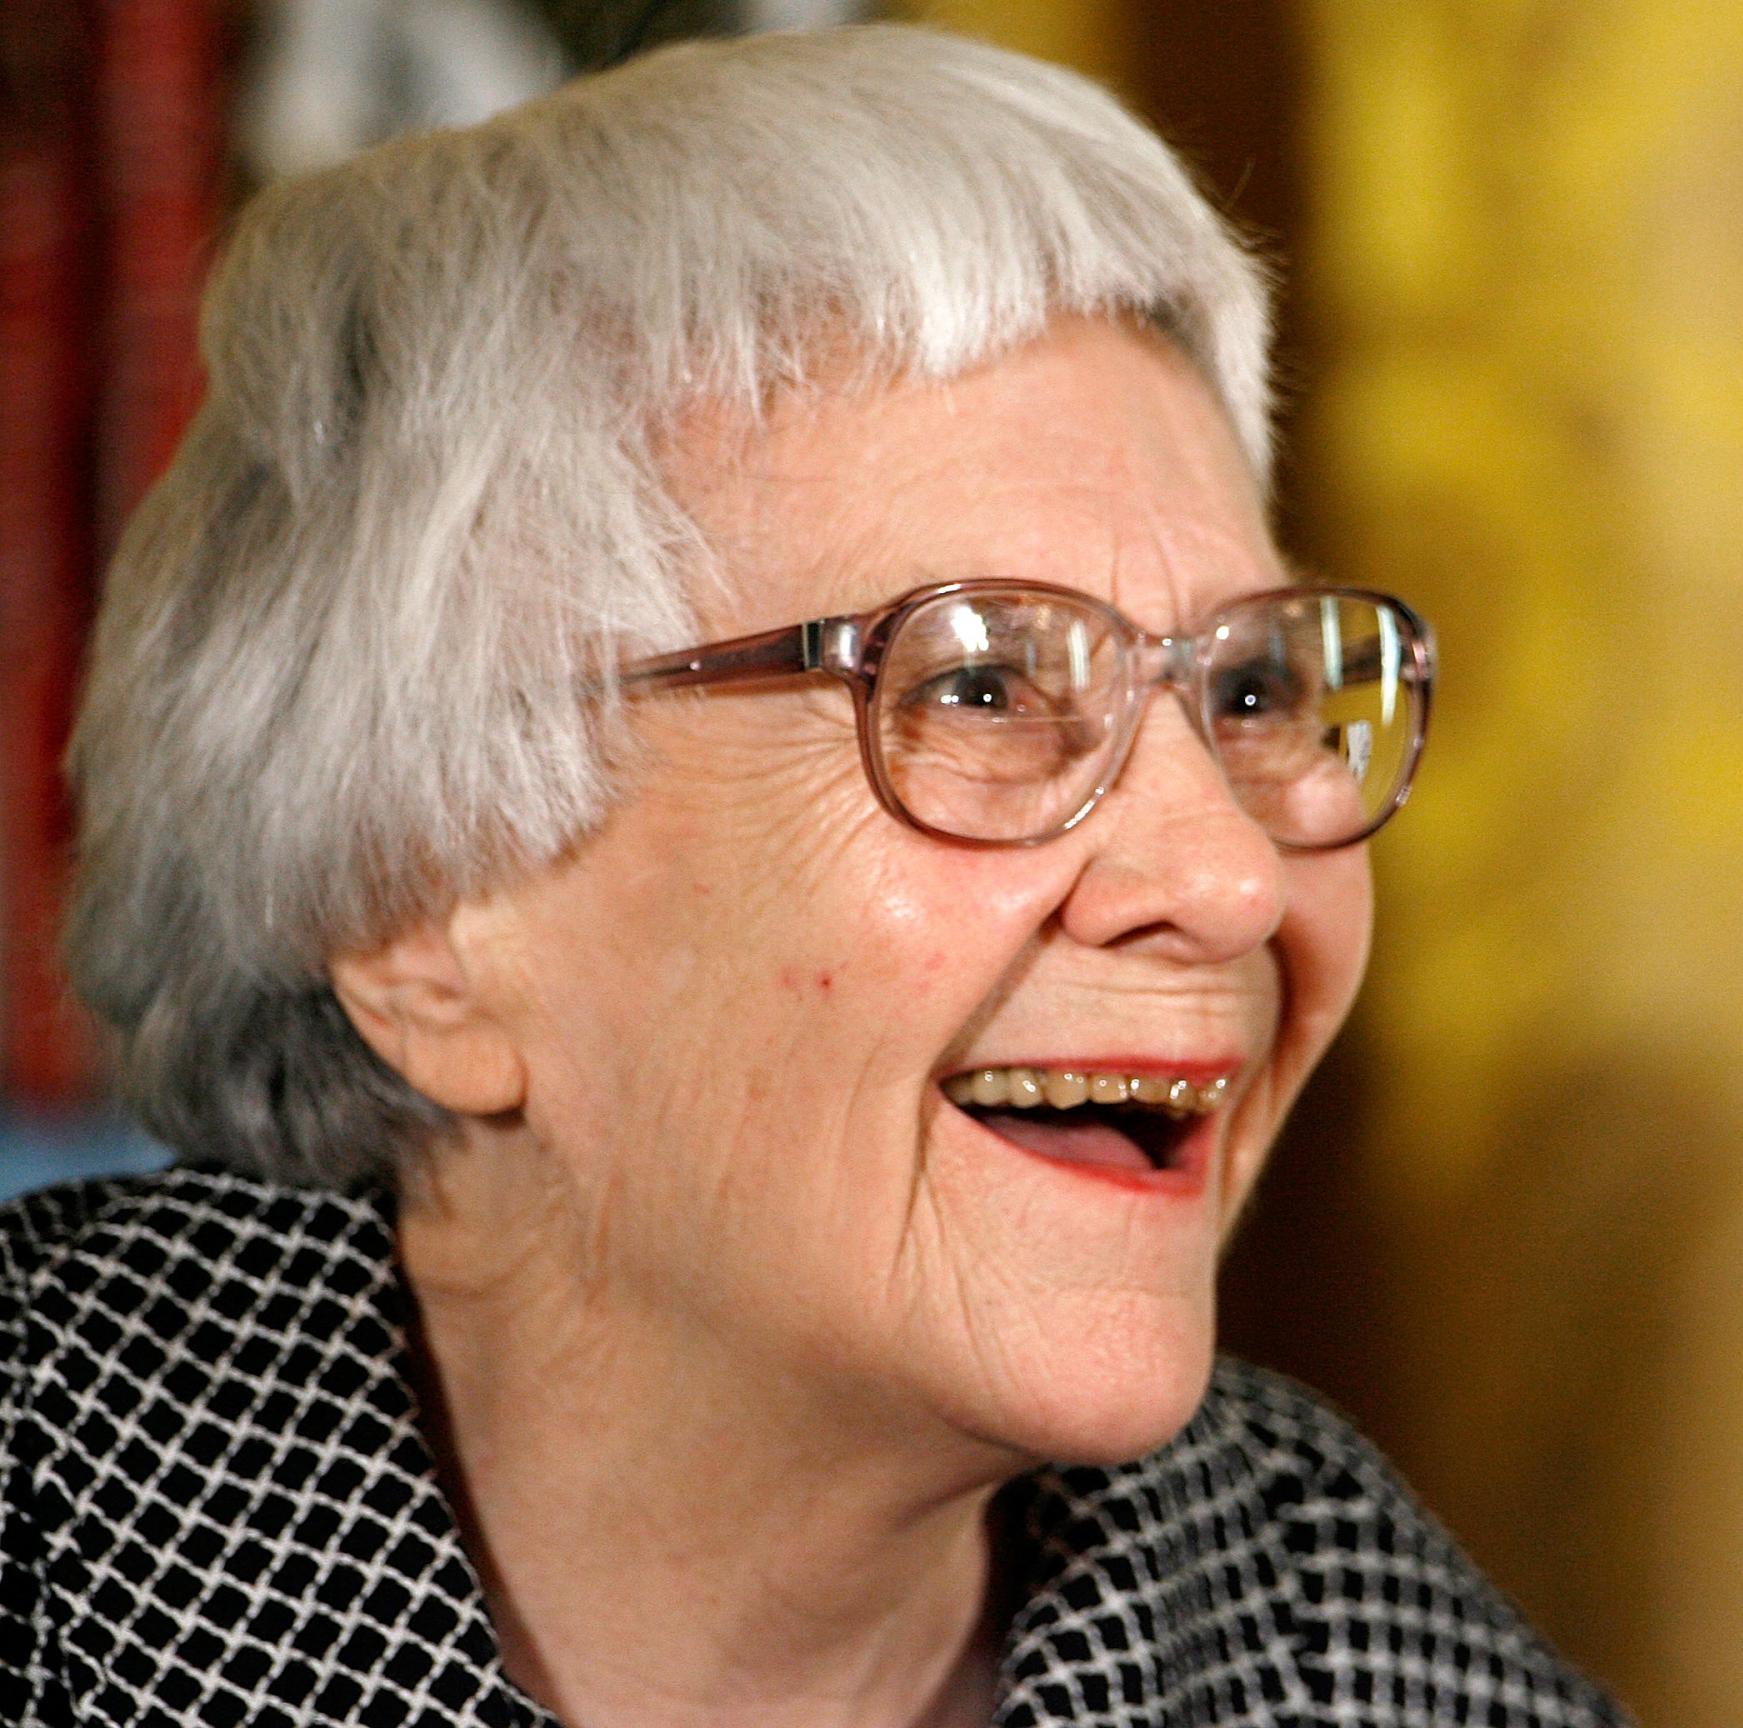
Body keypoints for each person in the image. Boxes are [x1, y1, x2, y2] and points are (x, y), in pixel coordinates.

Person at [2, 26, 1626, 1727]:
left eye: (1246, 690)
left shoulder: (1335, 1630)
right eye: (980, 685)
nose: (1229, 880)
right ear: (423, 912)